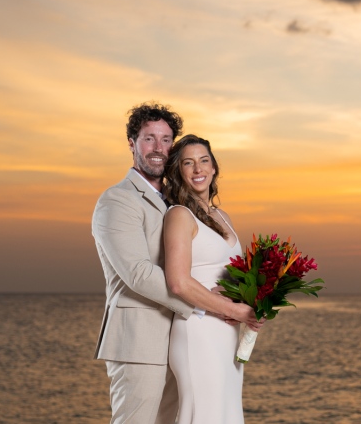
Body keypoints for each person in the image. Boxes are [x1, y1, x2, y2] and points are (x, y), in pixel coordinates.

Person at [92, 103, 260, 424]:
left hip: (184, 335)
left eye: (166, 140)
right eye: (149, 139)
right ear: (131, 142)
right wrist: (210, 306)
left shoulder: (178, 202)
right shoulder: (117, 200)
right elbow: (138, 274)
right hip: (141, 340)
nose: (159, 148)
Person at [162, 134, 262, 424]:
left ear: (214, 167)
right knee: (204, 415)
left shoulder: (223, 216)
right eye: (188, 163)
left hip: (226, 333)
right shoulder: (179, 216)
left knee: (225, 415)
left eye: (204, 160)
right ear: (177, 171)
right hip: (199, 329)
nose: (198, 169)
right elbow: (178, 283)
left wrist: (255, 307)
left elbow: (232, 275)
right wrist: (234, 310)